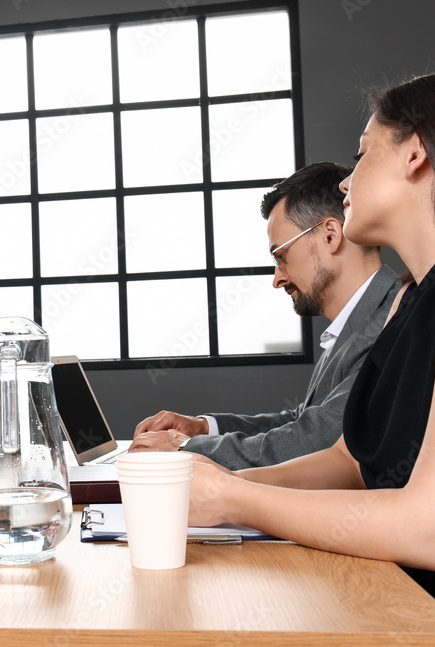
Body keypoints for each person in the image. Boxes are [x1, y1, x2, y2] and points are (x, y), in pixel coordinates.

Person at [189, 70, 435, 622]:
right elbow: (348, 461)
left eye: (362, 155)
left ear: (416, 154)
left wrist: (232, 500)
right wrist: (210, 488)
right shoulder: (409, 297)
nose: (345, 182)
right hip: (388, 596)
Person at [131, 162, 401, 469]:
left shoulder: (391, 320)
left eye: (281, 256)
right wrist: (204, 428)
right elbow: (303, 421)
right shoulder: (360, 320)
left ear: (329, 235)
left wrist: (186, 447)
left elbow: (316, 440)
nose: (278, 279)